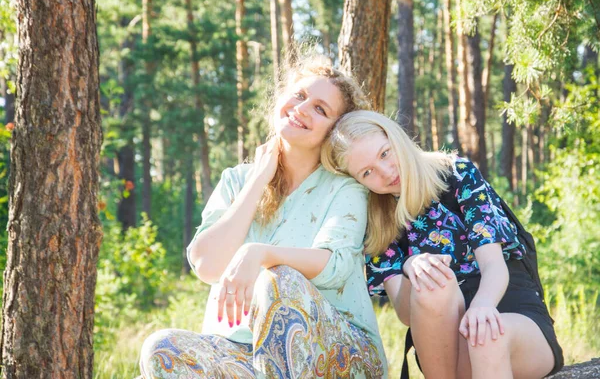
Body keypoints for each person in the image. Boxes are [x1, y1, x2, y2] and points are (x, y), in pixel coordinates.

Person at [138, 59, 387, 378]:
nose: (303, 108)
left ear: (334, 132)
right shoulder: (236, 180)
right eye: (299, 96)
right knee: (162, 349)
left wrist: (259, 253)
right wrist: (258, 180)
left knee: (278, 280)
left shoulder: (344, 188)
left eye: (321, 109)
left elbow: (335, 266)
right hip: (246, 354)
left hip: (340, 352)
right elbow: (208, 265)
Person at [321, 110, 564, 379]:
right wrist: (411, 270)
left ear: (396, 137)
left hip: (509, 315)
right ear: (358, 181)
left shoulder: (457, 174)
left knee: (485, 336)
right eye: (367, 172)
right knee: (432, 283)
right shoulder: (377, 221)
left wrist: (482, 306)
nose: (386, 172)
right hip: (444, 345)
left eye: (385, 153)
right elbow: (405, 314)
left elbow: (494, 265)